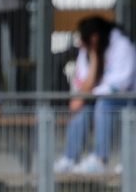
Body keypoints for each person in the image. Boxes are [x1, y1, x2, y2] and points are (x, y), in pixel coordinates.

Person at [53, 16, 136, 175]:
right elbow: (81, 85)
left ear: (94, 37)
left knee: (104, 103)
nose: (79, 43)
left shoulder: (122, 46)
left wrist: (87, 95)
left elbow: (120, 84)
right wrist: (94, 60)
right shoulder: (88, 51)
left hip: (127, 97)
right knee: (83, 108)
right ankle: (69, 157)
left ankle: (100, 158)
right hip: (101, 97)